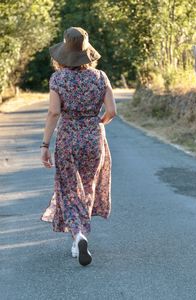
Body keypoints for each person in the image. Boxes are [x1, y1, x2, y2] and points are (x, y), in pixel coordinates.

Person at [40, 27, 117, 266]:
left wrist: (44, 145)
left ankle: (78, 236)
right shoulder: (100, 77)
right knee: (88, 186)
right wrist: (96, 124)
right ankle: (80, 238)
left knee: (69, 189)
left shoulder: (58, 79)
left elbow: (54, 113)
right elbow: (112, 111)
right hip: (94, 138)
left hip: (67, 138)